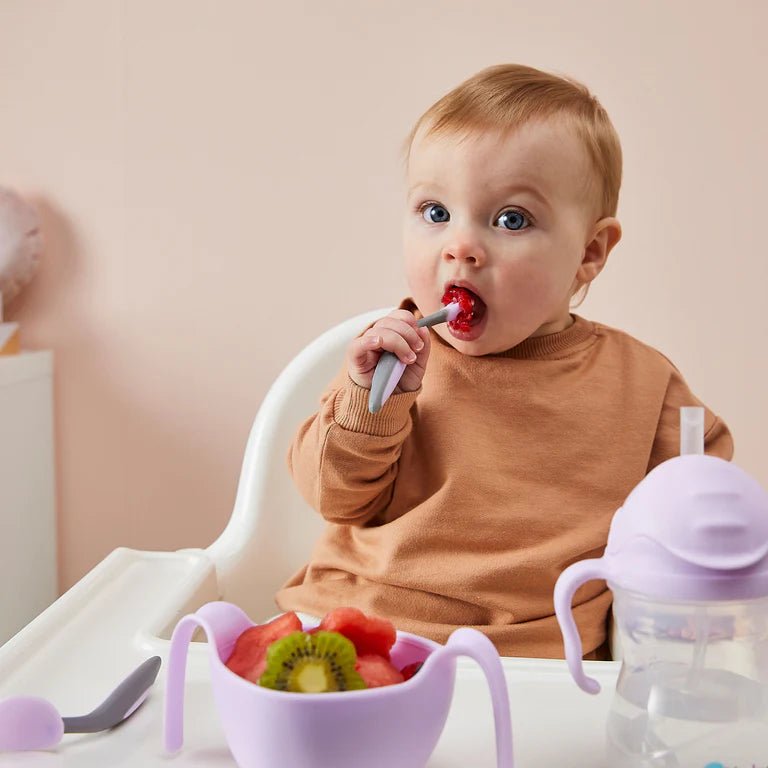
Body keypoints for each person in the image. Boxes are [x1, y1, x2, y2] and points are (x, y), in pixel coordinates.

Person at [275, 63, 733, 659]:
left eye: (510, 219)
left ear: (589, 252)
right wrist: (370, 402)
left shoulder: (641, 384)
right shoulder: (391, 356)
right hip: (360, 633)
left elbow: (703, 502)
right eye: (435, 213)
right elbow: (334, 497)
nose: (459, 247)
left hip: (538, 665)